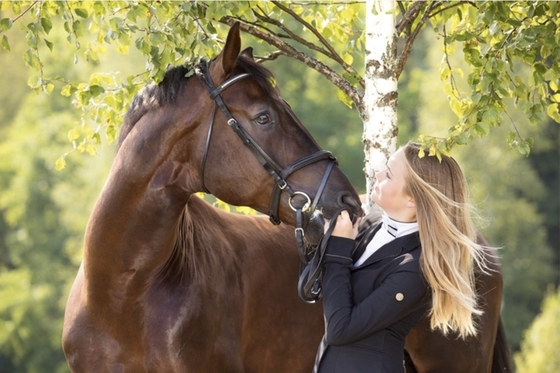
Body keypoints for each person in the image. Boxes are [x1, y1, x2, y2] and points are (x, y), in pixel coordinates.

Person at [312, 141, 491, 373]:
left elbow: (340, 330)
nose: (377, 175)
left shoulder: (415, 269)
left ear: (412, 200)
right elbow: (323, 290)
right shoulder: (370, 224)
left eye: (388, 174)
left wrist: (337, 250)